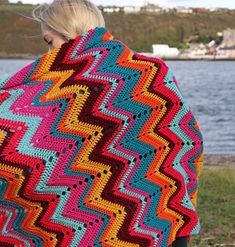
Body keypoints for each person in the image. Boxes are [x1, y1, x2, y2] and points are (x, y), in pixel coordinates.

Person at [0, 0, 203, 246]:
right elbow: (186, 142)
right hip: (158, 228)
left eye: (49, 42)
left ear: (66, 32)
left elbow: (15, 154)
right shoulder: (152, 73)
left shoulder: (47, 93)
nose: (48, 54)